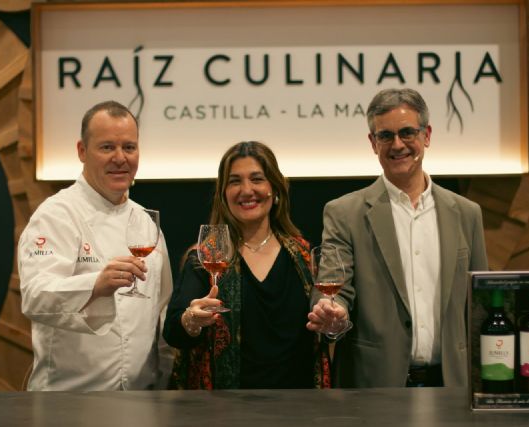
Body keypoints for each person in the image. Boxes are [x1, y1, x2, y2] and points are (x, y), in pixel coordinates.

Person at [307, 88, 488, 388]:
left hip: (452, 387)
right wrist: (332, 311)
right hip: (373, 387)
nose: (398, 144)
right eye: (386, 136)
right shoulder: (344, 213)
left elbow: (480, 307)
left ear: (426, 135)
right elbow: (332, 287)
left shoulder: (467, 213)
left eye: (407, 132)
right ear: (372, 142)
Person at [18, 101, 173, 391]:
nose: (120, 158)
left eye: (129, 147)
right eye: (107, 147)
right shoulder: (56, 214)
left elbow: (161, 311)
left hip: (140, 401)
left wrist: (163, 380)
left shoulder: (147, 223)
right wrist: (95, 285)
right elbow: (35, 296)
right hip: (69, 399)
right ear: (82, 151)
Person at [163, 141, 330, 389]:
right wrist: (192, 320)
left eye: (257, 179)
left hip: (301, 403)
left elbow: (325, 330)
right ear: (223, 194)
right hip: (225, 406)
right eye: (235, 181)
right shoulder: (205, 259)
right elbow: (173, 333)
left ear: (274, 189)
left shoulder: (304, 256)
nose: (247, 190)